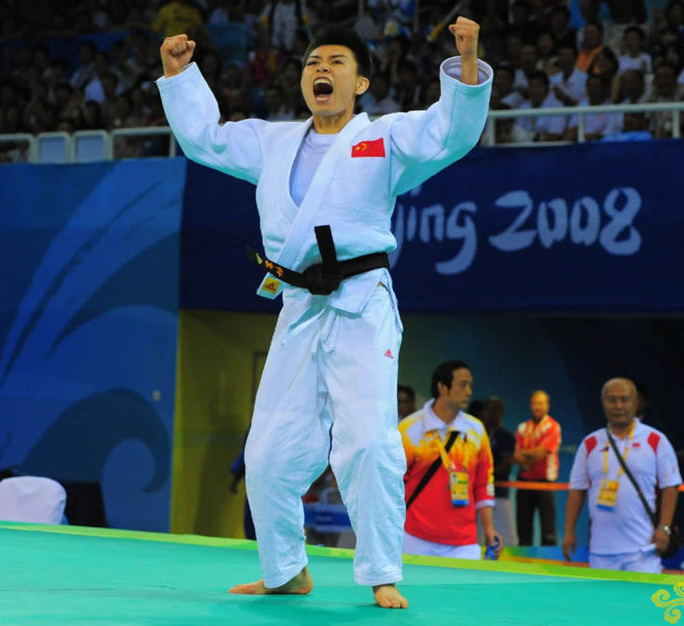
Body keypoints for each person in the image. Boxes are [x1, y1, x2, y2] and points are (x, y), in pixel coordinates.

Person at [157, 19, 492, 609]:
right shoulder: (272, 140)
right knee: (266, 455)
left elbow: (451, 135)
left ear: (360, 81)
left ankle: (383, 572)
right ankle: (286, 569)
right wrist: (182, 77)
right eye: (313, 62)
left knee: (367, 443)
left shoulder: (383, 138)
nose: (321, 70)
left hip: (361, 302)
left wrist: (466, 66)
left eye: (336, 62)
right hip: (297, 305)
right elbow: (206, 139)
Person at [562, 378, 682, 573]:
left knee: (641, 603)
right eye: (612, 400)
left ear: (636, 404)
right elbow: (577, 490)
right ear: (603, 403)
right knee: (605, 604)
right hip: (601, 551)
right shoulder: (590, 443)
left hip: (643, 551)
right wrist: (569, 531)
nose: (618, 406)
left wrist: (665, 527)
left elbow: (671, 486)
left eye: (624, 400)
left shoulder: (655, 440)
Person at [399, 361, 500, 559]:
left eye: (470, 385)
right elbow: (394, 484)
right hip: (414, 538)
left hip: (464, 544)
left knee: (467, 591)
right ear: (442, 387)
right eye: (463, 385)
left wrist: (489, 529)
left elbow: (484, 484)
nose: (469, 392)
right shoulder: (409, 429)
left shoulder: (477, 430)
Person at [513, 390, 561, 546]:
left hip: (545, 483)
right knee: (523, 530)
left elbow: (541, 453)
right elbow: (516, 456)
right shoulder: (522, 428)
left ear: (547, 405)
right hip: (524, 483)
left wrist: (526, 454)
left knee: (548, 532)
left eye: (541, 403)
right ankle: (523, 566)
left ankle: (548, 567)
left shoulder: (553, 427)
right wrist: (528, 455)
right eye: (534, 403)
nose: (537, 407)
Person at [480, 396, 517, 547]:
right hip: (480, 495)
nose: (490, 413)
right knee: (478, 534)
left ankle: (506, 567)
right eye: (488, 409)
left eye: (495, 410)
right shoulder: (478, 433)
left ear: (501, 413)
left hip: (500, 494)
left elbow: (507, 463)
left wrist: (487, 476)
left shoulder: (506, 436)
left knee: (505, 534)